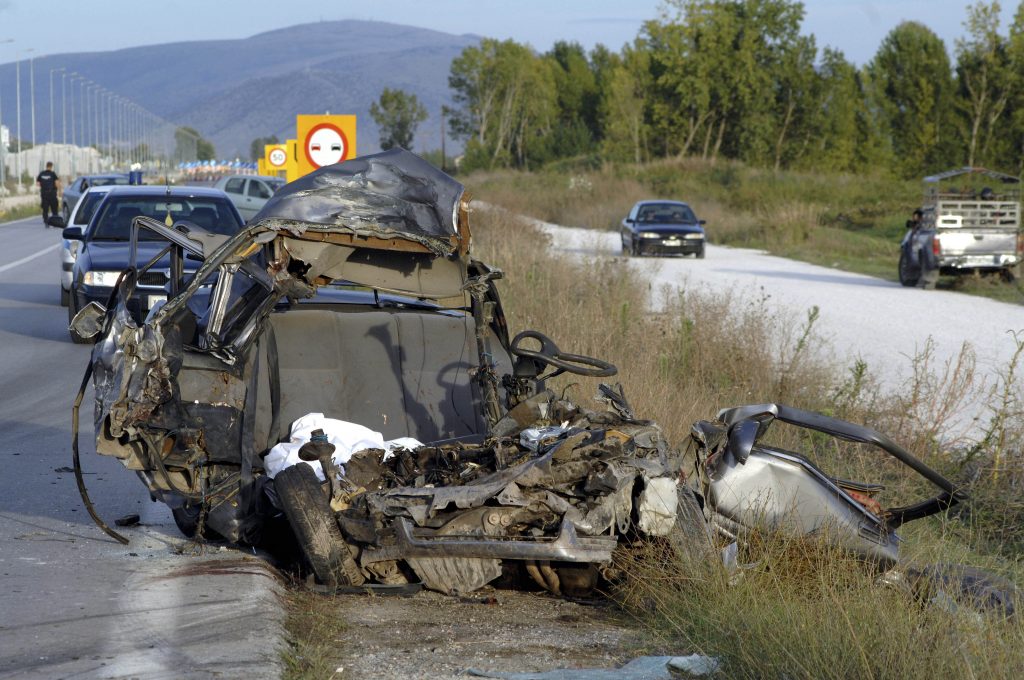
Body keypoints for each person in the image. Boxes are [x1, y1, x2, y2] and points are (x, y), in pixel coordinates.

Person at [36, 162, 61, 227]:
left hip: (44, 193)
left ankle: (46, 222)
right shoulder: (52, 174)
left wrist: (44, 185)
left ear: (46, 166)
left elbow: (38, 183)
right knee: (54, 208)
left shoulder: (41, 174)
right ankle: (55, 223)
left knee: (45, 208)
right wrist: (59, 191)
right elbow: (56, 183)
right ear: (51, 166)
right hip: (52, 193)